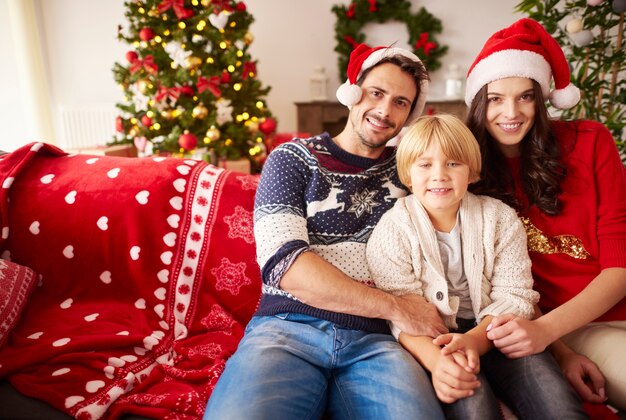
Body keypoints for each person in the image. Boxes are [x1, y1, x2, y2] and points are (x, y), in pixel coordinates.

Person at [204, 44, 448, 419]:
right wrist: (397, 307)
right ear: (353, 91)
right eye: (376, 93)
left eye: (401, 102)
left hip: (379, 342)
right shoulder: (292, 159)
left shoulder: (412, 171)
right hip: (287, 328)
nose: (384, 110)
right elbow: (287, 267)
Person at [366, 114, 584, 419]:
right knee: (474, 407)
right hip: (435, 343)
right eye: (425, 164)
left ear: (471, 172)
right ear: (407, 174)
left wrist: (475, 340)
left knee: (558, 404)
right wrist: (436, 362)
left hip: (498, 332)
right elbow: (403, 313)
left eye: (453, 163)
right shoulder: (393, 230)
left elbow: (515, 295)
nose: (439, 175)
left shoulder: (500, 219)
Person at [463, 17, 626, 411]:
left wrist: (543, 332)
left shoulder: (590, 142)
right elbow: (504, 284)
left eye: (525, 96)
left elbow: (620, 269)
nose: (511, 112)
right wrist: (557, 346)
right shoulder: (466, 171)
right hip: (579, 328)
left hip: (603, 311)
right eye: (497, 98)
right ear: (480, 101)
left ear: (542, 97)